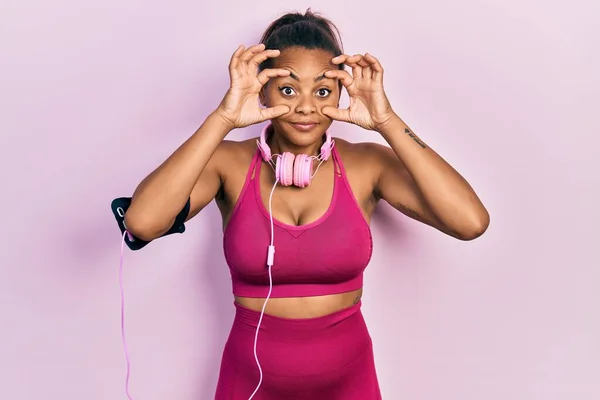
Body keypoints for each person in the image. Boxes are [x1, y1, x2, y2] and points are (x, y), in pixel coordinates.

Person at [122, 8, 490, 400]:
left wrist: (386, 120)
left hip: (349, 383)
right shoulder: (227, 163)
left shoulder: (367, 165)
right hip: (250, 384)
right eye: (288, 89)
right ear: (262, 89)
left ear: (340, 93)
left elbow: (469, 222)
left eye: (322, 90)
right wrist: (224, 117)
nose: (306, 107)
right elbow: (142, 222)